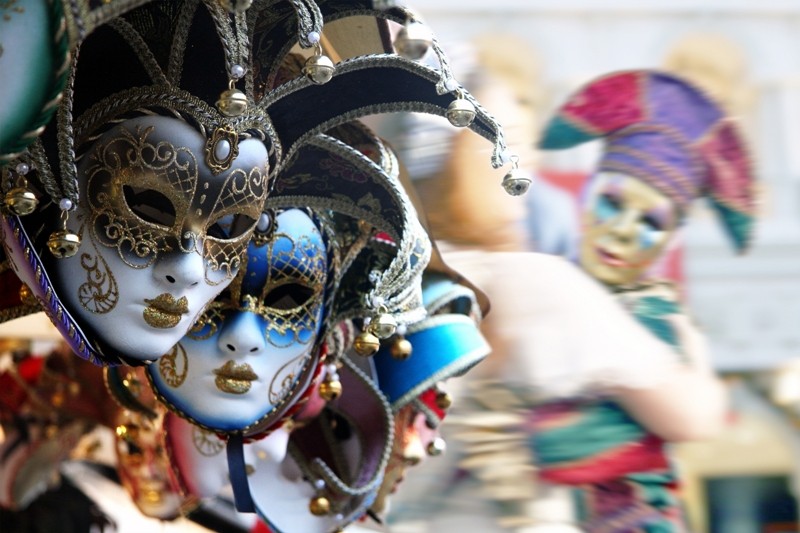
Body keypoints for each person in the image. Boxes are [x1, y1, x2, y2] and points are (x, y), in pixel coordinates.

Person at [526, 69, 756, 531]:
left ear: (670, 240)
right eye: (612, 202)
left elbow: (564, 445)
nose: (622, 231)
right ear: (587, 196)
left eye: (649, 221)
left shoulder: (649, 316)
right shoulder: (560, 284)